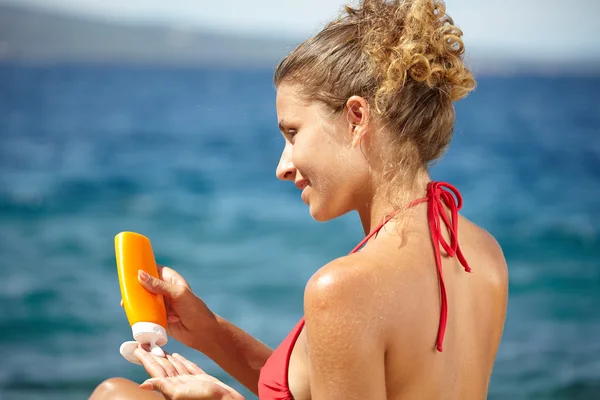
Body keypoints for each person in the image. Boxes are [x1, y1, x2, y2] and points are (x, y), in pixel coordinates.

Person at [89, 0, 509, 398]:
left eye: (292, 133)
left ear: (356, 118)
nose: (283, 166)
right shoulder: (482, 253)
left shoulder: (342, 289)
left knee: (116, 394)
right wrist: (209, 331)